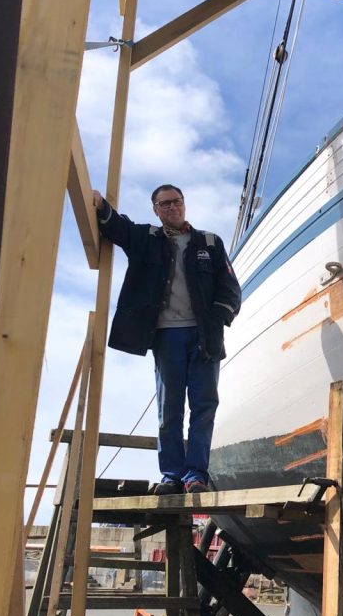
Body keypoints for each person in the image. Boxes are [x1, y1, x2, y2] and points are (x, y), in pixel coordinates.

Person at [92, 184, 241, 494]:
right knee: (169, 408)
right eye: (165, 204)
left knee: (204, 406)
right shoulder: (146, 238)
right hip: (166, 336)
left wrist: (217, 320)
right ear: (156, 210)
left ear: (184, 204)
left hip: (204, 337)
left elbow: (230, 289)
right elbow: (118, 228)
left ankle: (195, 476)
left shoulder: (210, 242)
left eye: (177, 201)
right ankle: (172, 476)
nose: (172, 207)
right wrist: (100, 205)